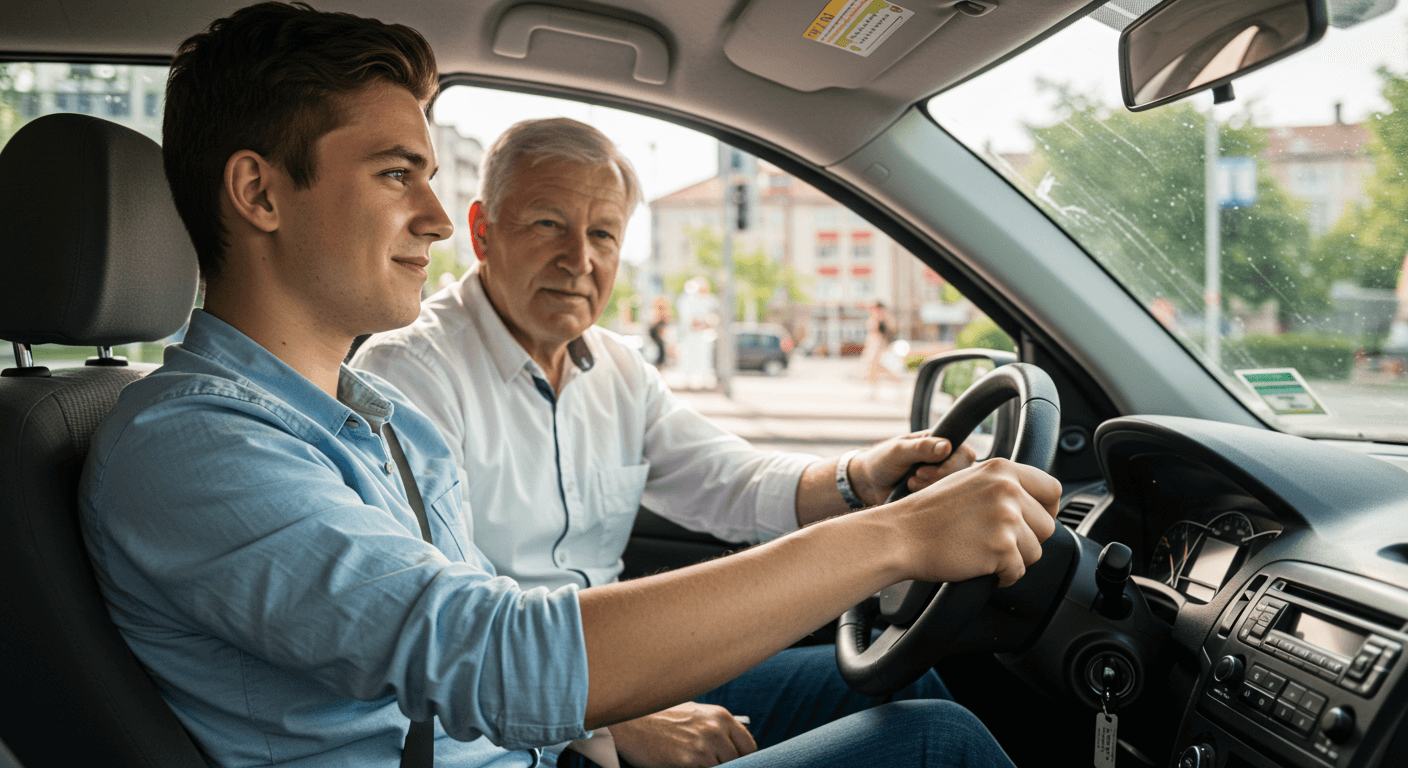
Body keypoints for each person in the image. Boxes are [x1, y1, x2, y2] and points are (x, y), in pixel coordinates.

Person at [79, 4, 1061, 768]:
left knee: (918, 691)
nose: (429, 218)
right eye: (394, 175)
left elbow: (706, 482)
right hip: (535, 732)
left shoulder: (364, 419)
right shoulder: (196, 450)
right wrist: (889, 538)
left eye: (426, 177)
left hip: (535, 736)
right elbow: (493, 653)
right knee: (933, 746)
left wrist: (859, 492)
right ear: (258, 194)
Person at [351, 117, 980, 767]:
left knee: (904, 681)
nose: (579, 259)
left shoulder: (617, 368)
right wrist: (604, 724)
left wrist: (858, 477)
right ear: (482, 231)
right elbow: (448, 639)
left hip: (615, 680)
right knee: (940, 741)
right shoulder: (410, 375)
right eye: (547, 225)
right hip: (513, 734)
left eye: (602, 234)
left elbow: (726, 478)